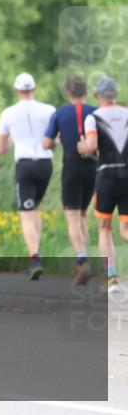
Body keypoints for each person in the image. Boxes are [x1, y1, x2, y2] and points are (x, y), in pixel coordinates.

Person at [0, 73, 56, 280]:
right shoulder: (49, 110)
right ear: (34, 88)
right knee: (35, 208)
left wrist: (13, 139)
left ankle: (34, 257)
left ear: (16, 91)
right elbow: (55, 140)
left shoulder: (8, 113)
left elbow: (0, 148)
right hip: (45, 163)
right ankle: (37, 252)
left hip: (25, 163)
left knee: (26, 212)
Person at [43, 75, 98, 284]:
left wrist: (57, 140)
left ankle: (82, 259)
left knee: (73, 216)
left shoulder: (60, 113)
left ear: (68, 93)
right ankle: (87, 259)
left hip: (72, 167)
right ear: (86, 93)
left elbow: (47, 143)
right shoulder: (96, 112)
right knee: (83, 215)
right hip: (93, 167)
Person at [79, 77, 128, 293]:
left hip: (106, 176)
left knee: (105, 228)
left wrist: (80, 146)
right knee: (126, 229)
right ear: (115, 95)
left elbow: (91, 146)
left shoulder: (93, 117)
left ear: (98, 96)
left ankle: (111, 278)